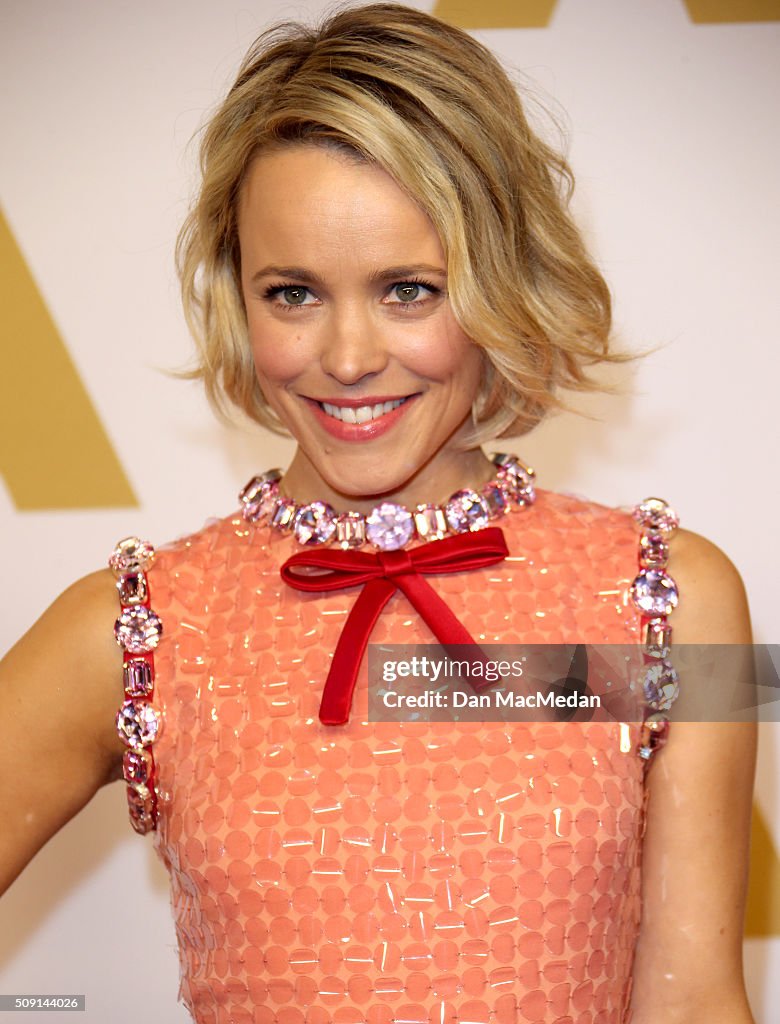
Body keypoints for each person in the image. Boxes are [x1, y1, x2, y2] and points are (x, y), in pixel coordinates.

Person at [0, 3, 756, 1022]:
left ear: (500, 281)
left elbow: (697, 999)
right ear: (238, 296)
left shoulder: (670, 598)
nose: (349, 356)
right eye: (293, 293)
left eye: (409, 289)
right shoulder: (141, 625)